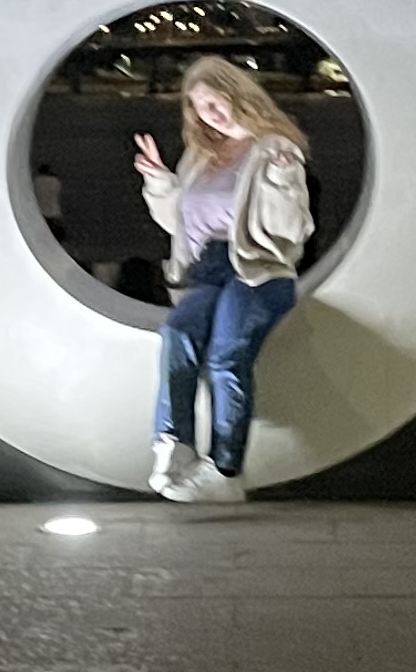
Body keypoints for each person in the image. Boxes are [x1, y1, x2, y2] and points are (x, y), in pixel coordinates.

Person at [134, 56, 313, 503]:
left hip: (259, 269)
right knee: (178, 334)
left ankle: (226, 470)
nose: (208, 115)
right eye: (197, 107)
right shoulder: (201, 155)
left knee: (224, 358)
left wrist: (281, 179)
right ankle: (174, 444)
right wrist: (159, 180)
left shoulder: (273, 148)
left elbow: (291, 230)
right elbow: (180, 221)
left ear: (236, 95)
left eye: (214, 102)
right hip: (207, 268)